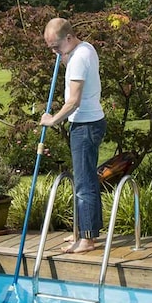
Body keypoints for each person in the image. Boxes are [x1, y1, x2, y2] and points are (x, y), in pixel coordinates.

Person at [39, 18, 106, 254]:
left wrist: (52, 120)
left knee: (84, 184)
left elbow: (74, 101)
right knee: (85, 179)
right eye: (51, 49)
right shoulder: (85, 49)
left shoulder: (77, 58)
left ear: (68, 38)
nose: (55, 52)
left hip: (85, 125)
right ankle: (84, 232)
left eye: (56, 47)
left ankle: (87, 239)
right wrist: (64, 58)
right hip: (91, 122)